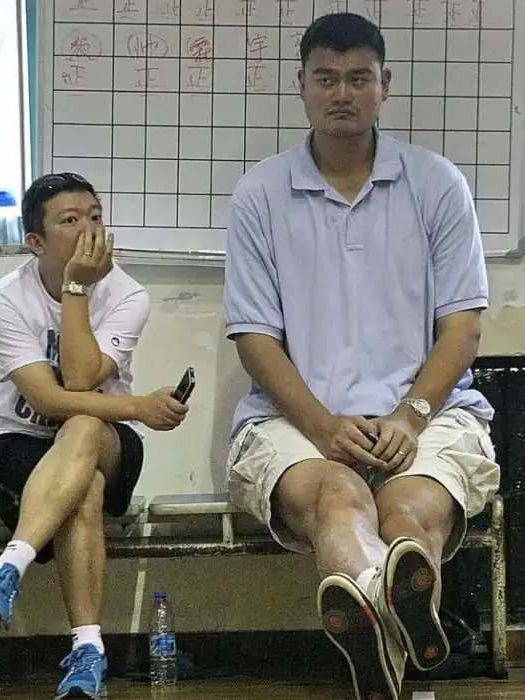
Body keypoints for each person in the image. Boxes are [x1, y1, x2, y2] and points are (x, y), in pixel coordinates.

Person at [223, 12, 500, 700]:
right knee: (338, 497)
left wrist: (410, 417)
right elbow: (255, 338)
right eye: (326, 78)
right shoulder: (261, 194)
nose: (341, 93)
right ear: (301, 85)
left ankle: (375, 629)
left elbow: (462, 330)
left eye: (357, 78)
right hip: (295, 422)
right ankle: (399, 630)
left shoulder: (438, 184)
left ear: (385, 84)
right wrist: (322, 427)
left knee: (408, 516)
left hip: (427, 413)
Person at [0, 172, 189, 700]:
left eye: (95, 216)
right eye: (70, 221)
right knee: (83, 487)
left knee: (85, 425)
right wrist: (140, 406)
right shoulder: (5, 298)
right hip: (20, 438)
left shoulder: (127, 293)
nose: (89, 230)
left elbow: (83, 377)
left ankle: (9, 567)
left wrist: (77, 289)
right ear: (35, 241)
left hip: (106, 439)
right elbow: (49, 398)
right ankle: (89, 649)